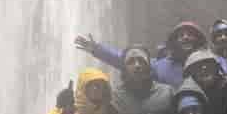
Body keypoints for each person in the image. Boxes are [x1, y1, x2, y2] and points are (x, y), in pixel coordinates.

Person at [74, 20, 208, 89]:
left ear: (199, 39)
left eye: (190, 34)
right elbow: (126, 60)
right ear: (174, 42)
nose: (185, 37)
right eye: (181, 35)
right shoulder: (162, 66)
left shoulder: (211, 62)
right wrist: (97, 49)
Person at [107, 44, 175, 114]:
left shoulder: (167, 92)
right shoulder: (114, 97)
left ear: (148, 66)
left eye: (141, 61)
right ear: (124, 68)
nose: (137, 65)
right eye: (131, 61)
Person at [183, 49, 227, 114]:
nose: (204, 67)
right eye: (198, 66)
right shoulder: (187, 94)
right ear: (190, 73)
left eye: (208, 63)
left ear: (217, 67)